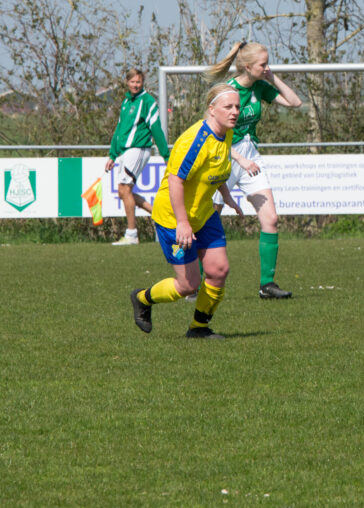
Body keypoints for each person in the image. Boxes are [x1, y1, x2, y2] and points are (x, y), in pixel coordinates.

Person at [129, 83, 245, 339]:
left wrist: (227, 197)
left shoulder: (225, 132)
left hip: (203, 214)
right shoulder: (195, 139)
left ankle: (199, 329)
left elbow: (215, 169)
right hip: (174, 218)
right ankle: (142, 298)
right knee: (187, 285)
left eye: (237, 106)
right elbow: (175, 180)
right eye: (228, 106)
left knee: (218, 270)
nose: (235, 111)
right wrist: (182, 222)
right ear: (212, 109)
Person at [204, 41, 303, 299]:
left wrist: (273, 77)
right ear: (247, 67)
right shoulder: (227, 91)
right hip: (225, 156)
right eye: (263, 64)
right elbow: (210, 132)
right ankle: (197, 280)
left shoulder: (261, 86)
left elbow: (295, 103)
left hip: (251, 157)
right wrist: (238, 159)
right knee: (205, 222)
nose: (267, 67)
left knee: (271, 218)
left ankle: (267, 285)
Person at [104, 68, 170, 245]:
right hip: (125, 151)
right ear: (127, 82)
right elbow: (119, 129)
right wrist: (112, 154)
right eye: (132, 81)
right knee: (124, 191)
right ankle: (161, 215)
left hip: (138, 149)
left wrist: (166, 155)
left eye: (138, 82)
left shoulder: (147, 101)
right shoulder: (126, 101)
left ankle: (132, 234)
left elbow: (156, 128)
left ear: (143, 83)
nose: (135, 85)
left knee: (124, 189)